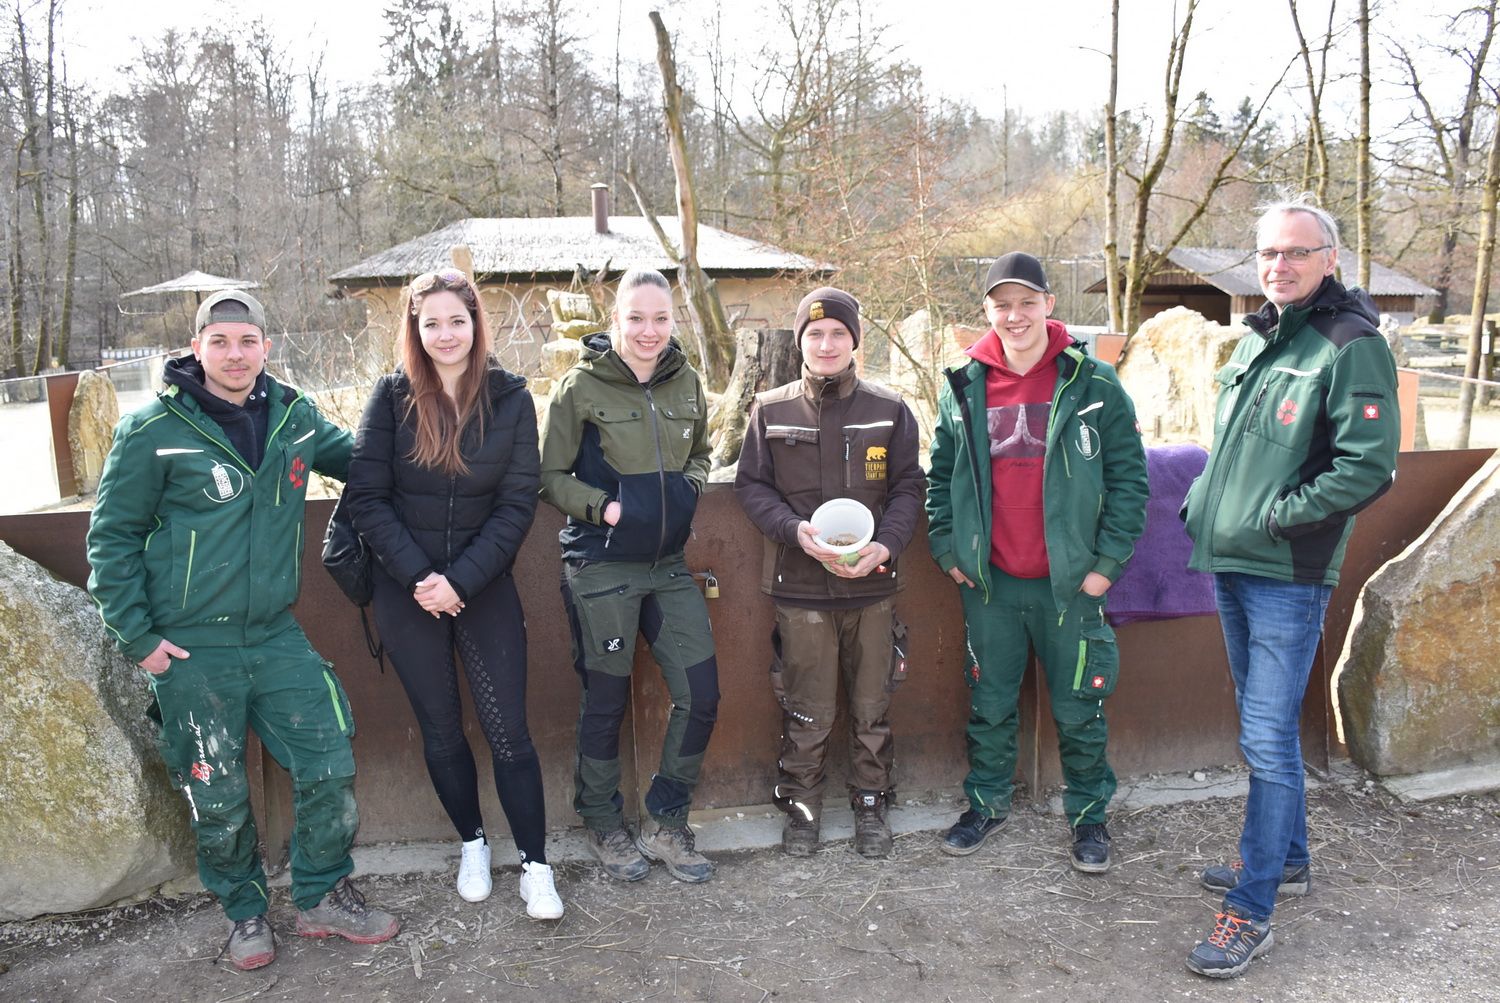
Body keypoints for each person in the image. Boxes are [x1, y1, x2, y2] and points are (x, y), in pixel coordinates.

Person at [86, 290, 398, 972]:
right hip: (192, 645)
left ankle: (320, 894)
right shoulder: (153, 431)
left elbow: (370, 464)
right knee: (215, 788)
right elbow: (110, 541)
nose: (234, 354)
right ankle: (246, 913)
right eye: (220, 341)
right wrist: (140, 639)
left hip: (273, 633)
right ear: (197, 348)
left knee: (328, 758)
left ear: (266, 346)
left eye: (247, 341)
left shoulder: (295, 418)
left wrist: (442, 433)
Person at [1181, 196, 1399, 978]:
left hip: (1286, 571)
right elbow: (1237, 447)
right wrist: (1203, 500)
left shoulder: (1348, 344)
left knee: (1267, 739)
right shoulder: (1262, 338)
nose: (1280, 265)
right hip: (1233, 560)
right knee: (1259, 721)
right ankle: (1290, 859)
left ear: (1329, 259)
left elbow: (1368, 463)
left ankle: (1252, 907)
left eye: (1297, 253)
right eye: (1269, 253)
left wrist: (1282, 518)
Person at [344, 268, 563, 920]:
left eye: (457, 320)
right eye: (431, 321)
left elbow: (517, 503)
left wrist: (460, 580)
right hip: (404, 589)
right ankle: (472, 841)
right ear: (414, 326)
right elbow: (367, 496)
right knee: (440, 731)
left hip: (484, 585)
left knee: (510, 734)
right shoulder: (389, 398)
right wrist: (419, 578)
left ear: (476, 323)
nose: (445, 333)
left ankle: (535, 864)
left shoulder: (512, 398)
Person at [926, 252, 1148, 872]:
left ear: (1050, 305)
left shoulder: (1092, 381)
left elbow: (1130, 481)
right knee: (989, 703)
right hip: (990, 583)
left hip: (1071, 585)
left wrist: (1105, 566)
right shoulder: (964, 385)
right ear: (986, 312)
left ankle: (1088, 817)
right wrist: (947, 550)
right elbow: (939, 476)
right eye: (1002, 304)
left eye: (1027, 302)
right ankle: (986, 804)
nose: (1015, 315)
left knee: (1081, 706)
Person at [539, 266, 720, 884]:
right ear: (614, 321)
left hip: (668, 566)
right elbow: (550, 476)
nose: (649, 331)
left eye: (661, 318)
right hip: (601, 565)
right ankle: (602, 821)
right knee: (606, 700)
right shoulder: (580, 387)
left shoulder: (687, 380)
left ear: (674, 322)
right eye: (636, 318)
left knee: (700, 693)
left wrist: (692, 487)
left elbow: (701, 452)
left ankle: (668, 822)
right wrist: (606, 508)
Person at [734, 287, 925, 858]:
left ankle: (871, 806)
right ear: (799, 343)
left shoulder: (889, 409)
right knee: (805, 708)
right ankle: (801, 810)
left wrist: (887, 545)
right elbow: (751, 485)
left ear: (854, 341)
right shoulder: (770, 409)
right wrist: (794, 532)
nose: (826, 343)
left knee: (873, 706)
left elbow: (910, 487)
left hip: (872, 586)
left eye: (838, 333)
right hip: (801, 588)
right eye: (814, 334)